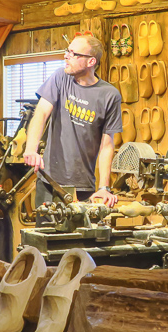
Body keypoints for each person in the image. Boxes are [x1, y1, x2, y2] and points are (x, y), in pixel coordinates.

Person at [23, 33, 121, 208]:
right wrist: (31, 149)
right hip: (50, 182)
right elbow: (41, 113)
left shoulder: (109, 95)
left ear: (91, 62)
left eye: (74, 54)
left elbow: (107, 145)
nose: (66, 56)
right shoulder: (60, 77)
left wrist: (104, 187)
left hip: (84, 187)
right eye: (67, 51)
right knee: (42, 235)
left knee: (79, 235)